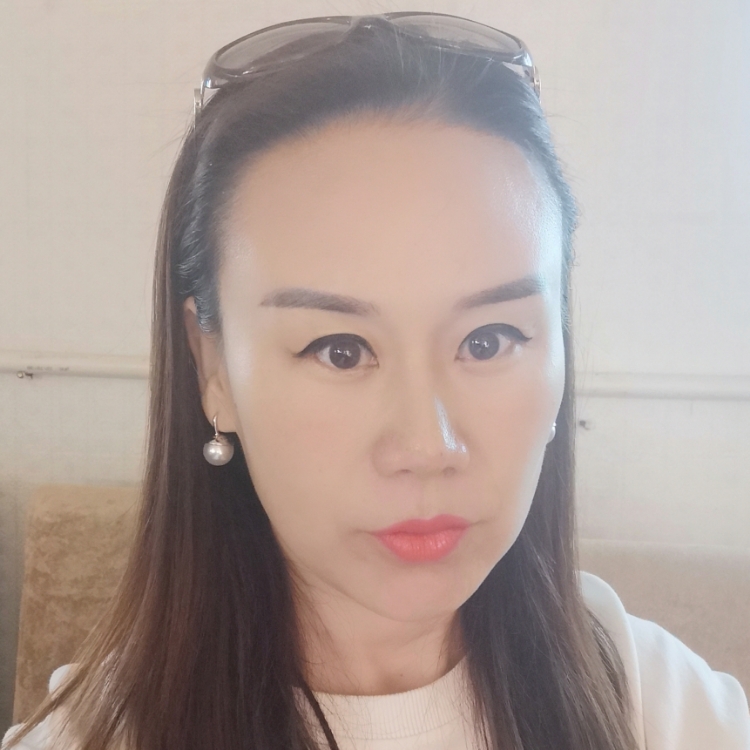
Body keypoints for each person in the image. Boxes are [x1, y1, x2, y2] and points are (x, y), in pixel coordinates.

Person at [3, 12, 749, 750]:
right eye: (340, 350)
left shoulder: (652, 701)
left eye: (488, 340)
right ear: (212, 367)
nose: (427, 447)